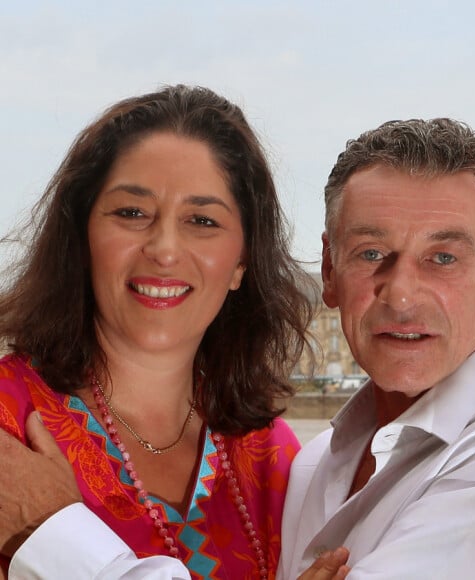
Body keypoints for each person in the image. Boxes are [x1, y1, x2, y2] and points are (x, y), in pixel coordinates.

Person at [5, 117, 475, 579]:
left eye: (444, 258)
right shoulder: (310, 464)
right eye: (371, 253)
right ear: (328, 271)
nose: (401, 294)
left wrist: (53, 532)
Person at [0, 84, 349, 579]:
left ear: (242, 262)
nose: (164, 249)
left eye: (202, 220)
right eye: (132, 213)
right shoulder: (8, 421)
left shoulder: (275, 458)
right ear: (80, 236)